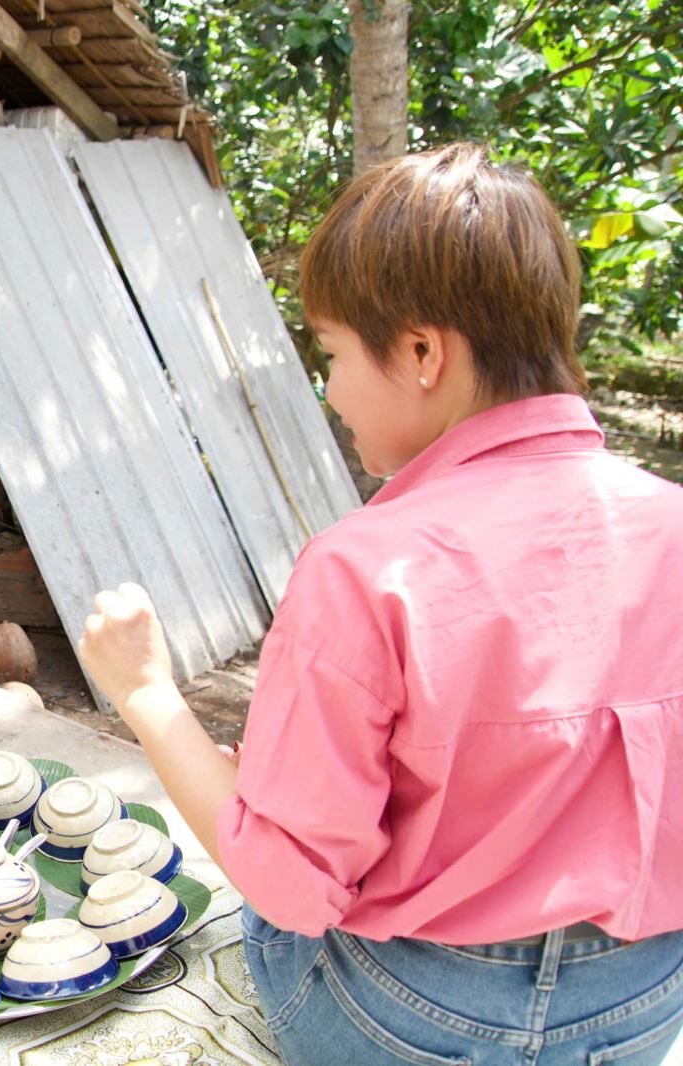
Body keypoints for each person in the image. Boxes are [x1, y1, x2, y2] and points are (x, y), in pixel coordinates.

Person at [76, 143, 683, 1064]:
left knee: (270, 896)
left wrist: (148, 693)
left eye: (332, 352)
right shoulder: (670, 521)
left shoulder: (366, 565)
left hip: (417, 1020)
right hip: (645, 998)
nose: (329, 386)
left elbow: (289, 888)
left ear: (421, 352)